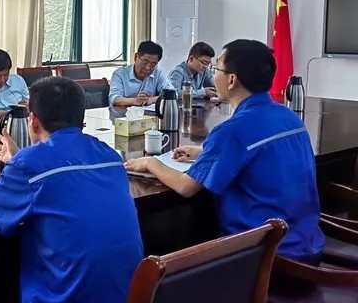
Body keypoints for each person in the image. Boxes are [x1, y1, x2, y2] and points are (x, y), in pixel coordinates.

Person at [0, 76, 143, 303]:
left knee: (6, 265)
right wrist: (18, 160)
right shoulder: (109, 154)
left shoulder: (30, 163)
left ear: (33, 121)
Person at [124, 39, 324, 262]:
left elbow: (186, 186)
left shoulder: (232, 131)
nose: (212, 74)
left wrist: (151, 163)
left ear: (231, 80)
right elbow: (260, 156)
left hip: (264, 254)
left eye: (216, 68)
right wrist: (205, 152)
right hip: (307, 241)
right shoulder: (288, 116)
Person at [109, 40, 174, 107]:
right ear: (135, 57)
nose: (147, 68)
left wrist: (150, 99)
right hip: (124, 113)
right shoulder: (120, 74)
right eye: (145, 62)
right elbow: (114, 99)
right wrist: (135, 101)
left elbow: (173, 93)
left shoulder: (158, 73)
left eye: (153, 64)